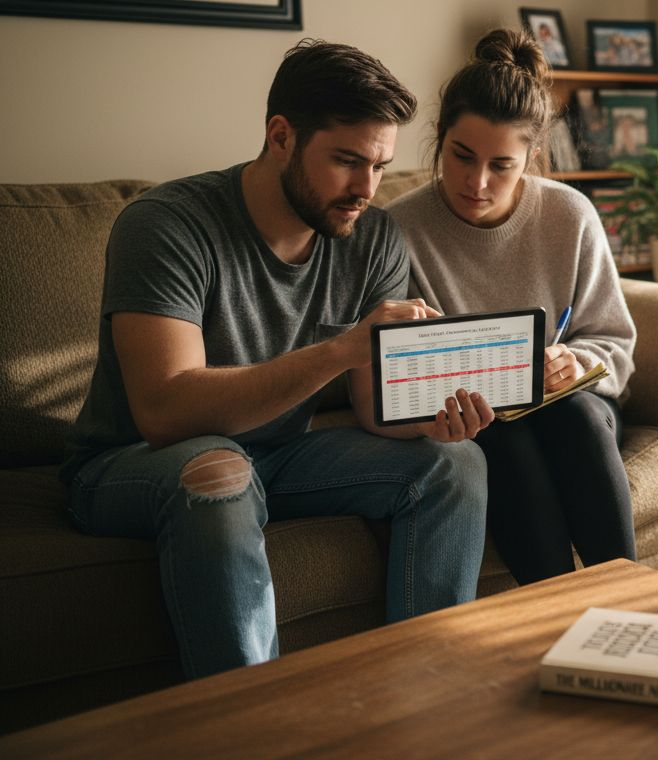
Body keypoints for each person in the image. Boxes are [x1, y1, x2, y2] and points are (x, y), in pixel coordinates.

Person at [59, 40, 496, 680]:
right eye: (347, 161)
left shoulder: (372, 238)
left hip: (279, 454)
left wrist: (435, 417)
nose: (366, 189)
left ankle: (424, 694)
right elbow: (164, 409)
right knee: (220, 473)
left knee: (455, 464)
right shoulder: (166, 225)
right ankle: (256, 725)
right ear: (281, 136)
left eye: (380, 165)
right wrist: (342, 348)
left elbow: (377, 415)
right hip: (133, 462)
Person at [388, 28, 637, 585]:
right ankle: (550, 614)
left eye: (501, 165)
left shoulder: (569, 215)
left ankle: (633, 608)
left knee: (570, 415)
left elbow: (616, 346)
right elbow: (390, 366)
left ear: (531, 157)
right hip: (484, 425)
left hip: (577, 413)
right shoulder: (399, 231)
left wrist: (578, 363)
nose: (476, 183)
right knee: (505, 440)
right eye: (461, 156)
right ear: (439, 137)